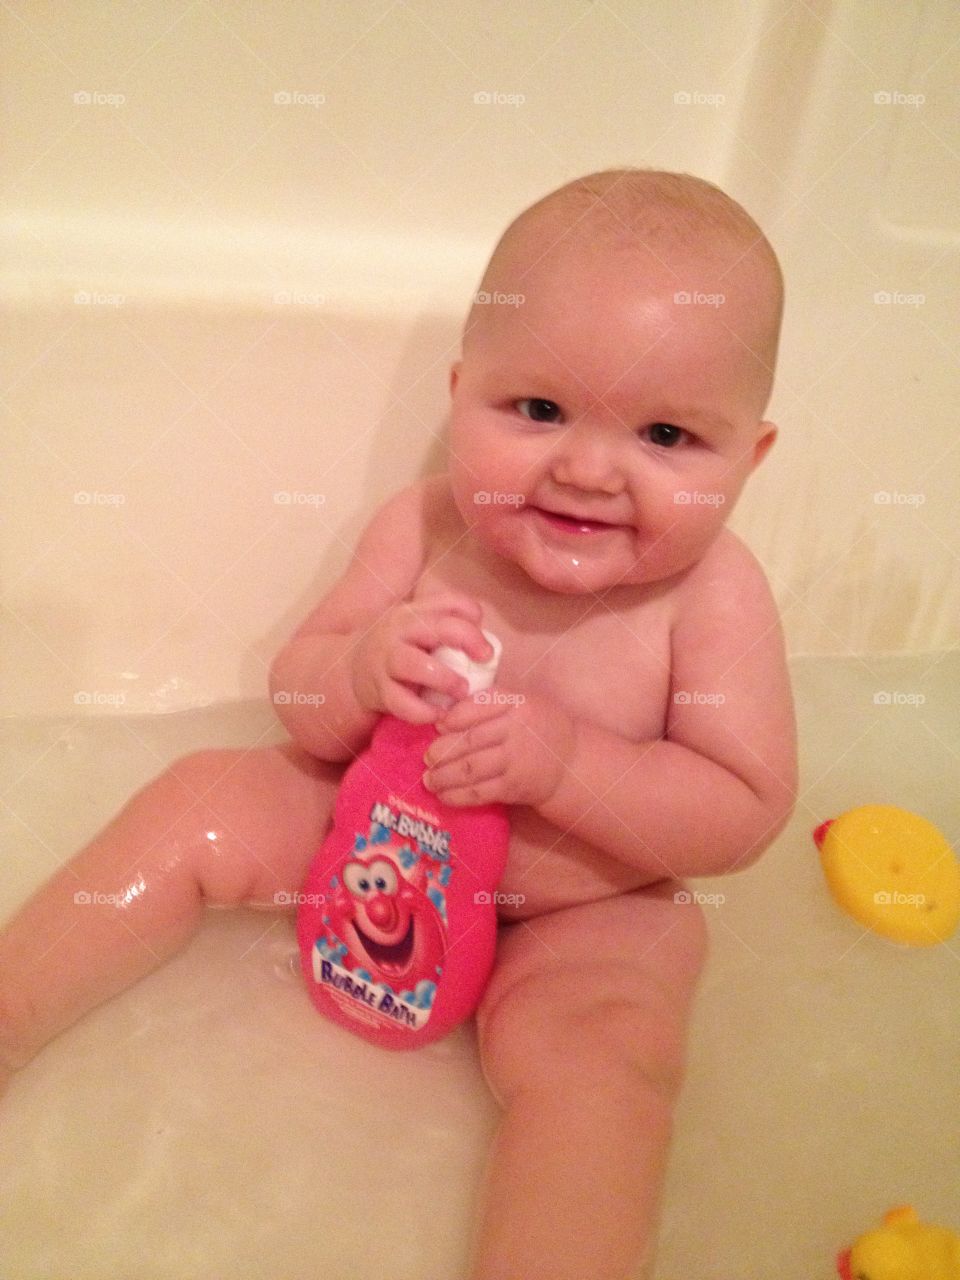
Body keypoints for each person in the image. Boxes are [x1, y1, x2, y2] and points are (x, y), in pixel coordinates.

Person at [0, 168, 797, 1279]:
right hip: (371, 837)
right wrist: (365, 670)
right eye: (538, 409)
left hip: (591, 903)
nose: (588, 466)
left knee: (607, 1065)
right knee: (202, 796)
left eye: (666, 434)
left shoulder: (713, 597)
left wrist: (570, 765)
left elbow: (742, 810)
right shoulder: (424, 527)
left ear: (750, 456)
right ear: (463, 391)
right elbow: (300, 691)